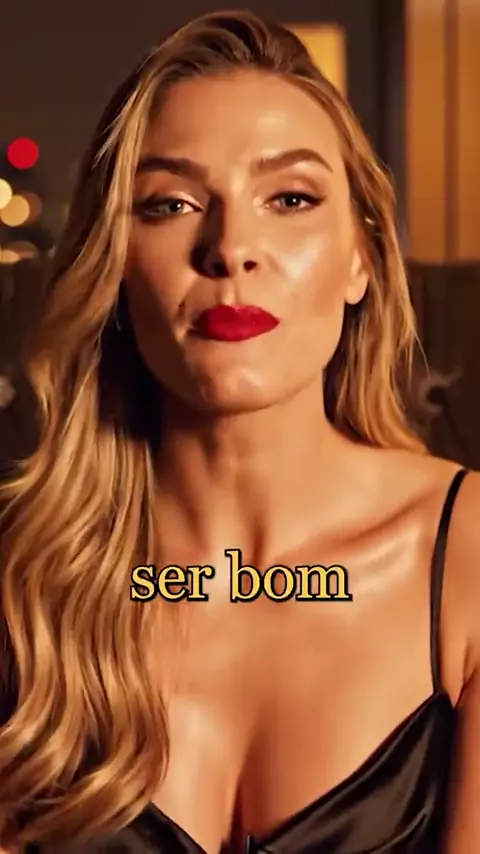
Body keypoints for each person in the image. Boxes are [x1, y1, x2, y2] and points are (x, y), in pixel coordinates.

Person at [0, 9, 479, 854]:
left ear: (363, 260)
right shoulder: (25, 582)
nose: (231, 249)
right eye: (171, 203)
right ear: (114, 269)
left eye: (289, 198)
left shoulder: (466, 560)